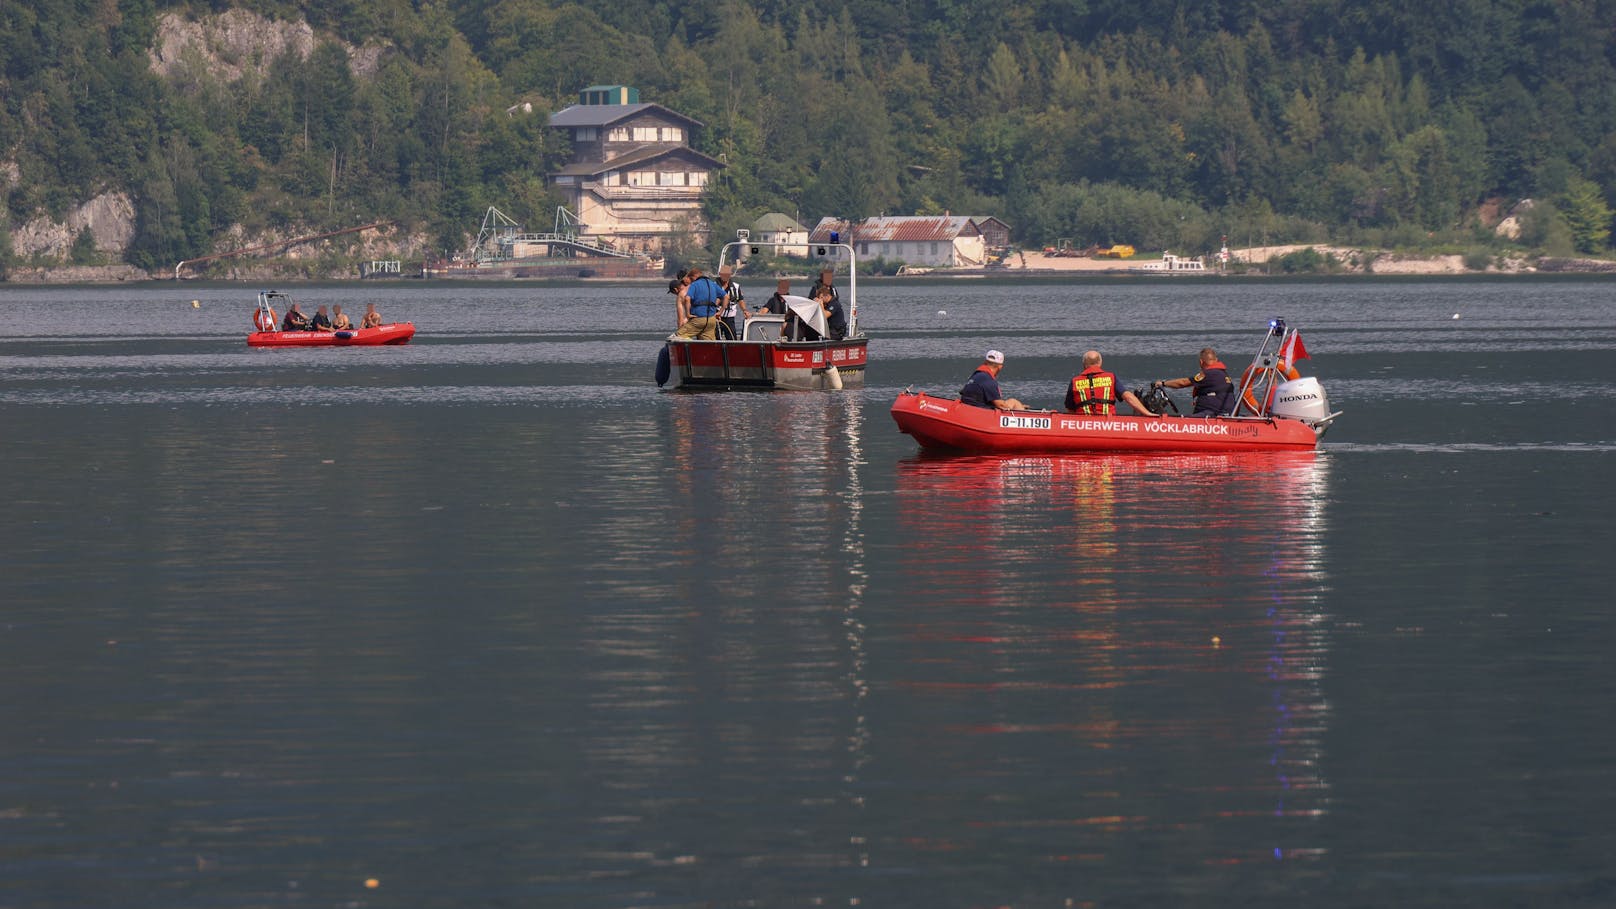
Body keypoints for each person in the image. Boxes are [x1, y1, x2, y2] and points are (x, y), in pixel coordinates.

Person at [1065, 350, 1157, 416]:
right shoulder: (1110, 377)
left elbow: (1070, 410)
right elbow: (1128, 397)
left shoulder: (1075, 381)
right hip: (1108, 425)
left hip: (1083, 427)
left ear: (1084, 364)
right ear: (1100, 362)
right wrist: (1148, 413)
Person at [1156, 347, 1236, 416]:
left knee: (1186, 420)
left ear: (1201, 362)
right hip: (1226, 411)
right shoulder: (1223, 373)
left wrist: (1163, 383)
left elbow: (1183, 383)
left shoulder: (1208, 374)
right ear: (1216, 360)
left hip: (1213, 413)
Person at [959, 349, 1026, 410]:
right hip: (980, 411)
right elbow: (1000, 405)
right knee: (1014, 402)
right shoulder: (988, 380)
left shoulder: (975, 376)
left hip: (969, 407)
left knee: (1012, 403)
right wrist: (1018, 407)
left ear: (985, 362)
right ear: (1000, 367)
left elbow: (963, 392)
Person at [676, 266, 723, 339]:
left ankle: (689, 349)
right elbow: (725, 296)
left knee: (677, 337)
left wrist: (687, 315)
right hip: (711, 319)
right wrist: (719, 311)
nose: (683, 284)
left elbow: (687, 300)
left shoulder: (692, 287)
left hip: (698, 319)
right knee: (707, 343)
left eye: (682, 281)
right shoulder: (711, 284)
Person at [811, 267, 848, 340]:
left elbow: (825, 315)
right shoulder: (816, 288)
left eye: (821, 298)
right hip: (828, 326)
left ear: (827, 296)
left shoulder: (834, 302)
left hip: (836, 331)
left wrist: (821, 304)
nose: (820, 300)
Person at [716, 265, 748, 340]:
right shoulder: (714, 285)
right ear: (720, 274)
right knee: (716, 339)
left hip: (730, 318)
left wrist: (744, 310)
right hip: (717, 317)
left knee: (732, 339)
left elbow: (740, 300)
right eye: (724, 274)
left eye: (727, 275)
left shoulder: (736, 287)